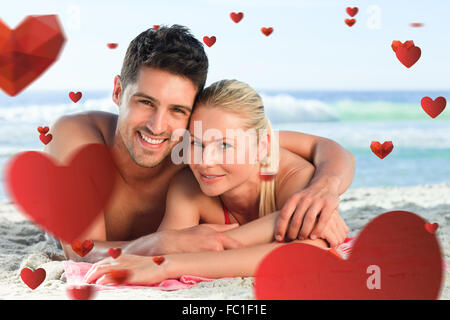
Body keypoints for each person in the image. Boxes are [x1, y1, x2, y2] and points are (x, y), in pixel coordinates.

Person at [45, 25, 355, 263]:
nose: (157, 126)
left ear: (192, 114)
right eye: (145, 102)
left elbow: (323, 147)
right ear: (117, 91)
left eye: (178, 110)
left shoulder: (198, 149)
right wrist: (162, 244)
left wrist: (322, 190)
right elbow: (81, 253)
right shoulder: (78, 138)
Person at [83, 80, 351, 285]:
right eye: (196, 143)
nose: (206, 161)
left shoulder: (294, 176)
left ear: (262, 147)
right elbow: (167, 245)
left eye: (224, 145)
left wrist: (169, 265)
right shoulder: (188, 188)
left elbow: (308, 253)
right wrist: (165, 252)